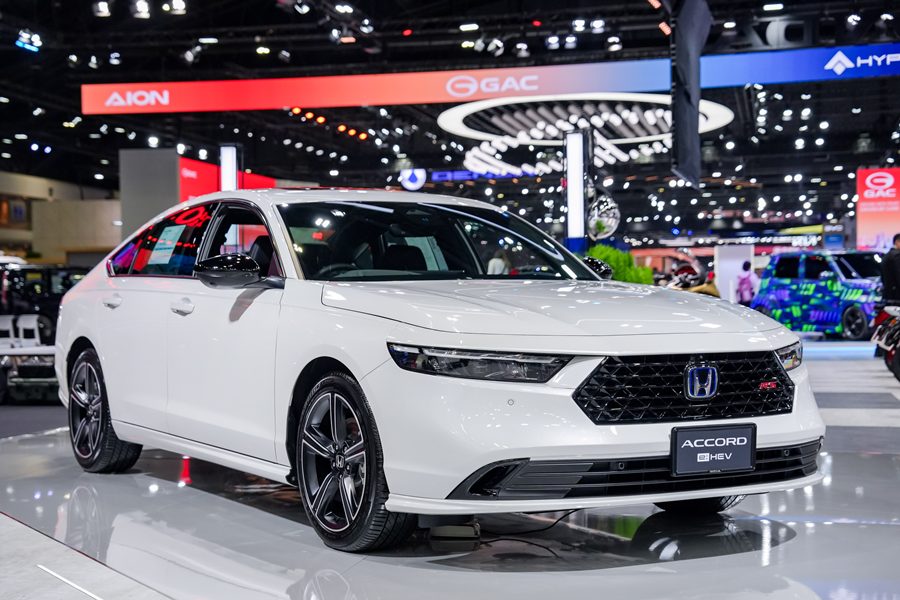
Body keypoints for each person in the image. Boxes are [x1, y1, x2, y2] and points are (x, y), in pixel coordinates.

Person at [882, 233, 900, 304]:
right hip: (896, 297)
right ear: (897, 242)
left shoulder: (887, 255)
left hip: (888, 295)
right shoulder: (897, 255)